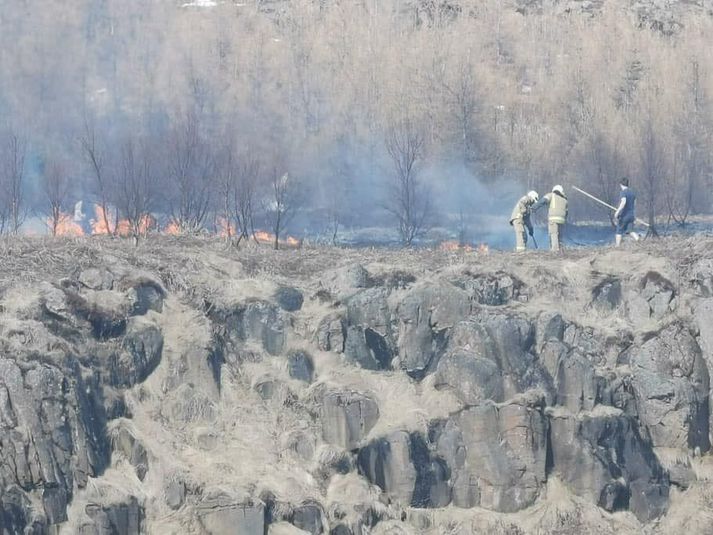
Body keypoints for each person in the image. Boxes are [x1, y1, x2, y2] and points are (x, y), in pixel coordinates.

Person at [534, 185, 568, 252]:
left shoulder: (551, 195)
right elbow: (566, 212)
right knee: (559, 235)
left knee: (553, 233)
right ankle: (561, 249)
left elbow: (543, 201)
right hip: (562, 220)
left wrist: (534, 207)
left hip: (553, 219)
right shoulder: (565, 200)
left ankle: (555, 250)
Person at [613, 177, 639, 247]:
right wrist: (634, 215)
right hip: (631, 215)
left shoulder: (623, 192)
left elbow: (623, 202)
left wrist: (617, 212)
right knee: (630, 231)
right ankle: (638, 240)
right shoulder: (632, 192)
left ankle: (617, 246)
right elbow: (635, 204)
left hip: (624, 215)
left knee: (619, 231)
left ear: (621, 184)